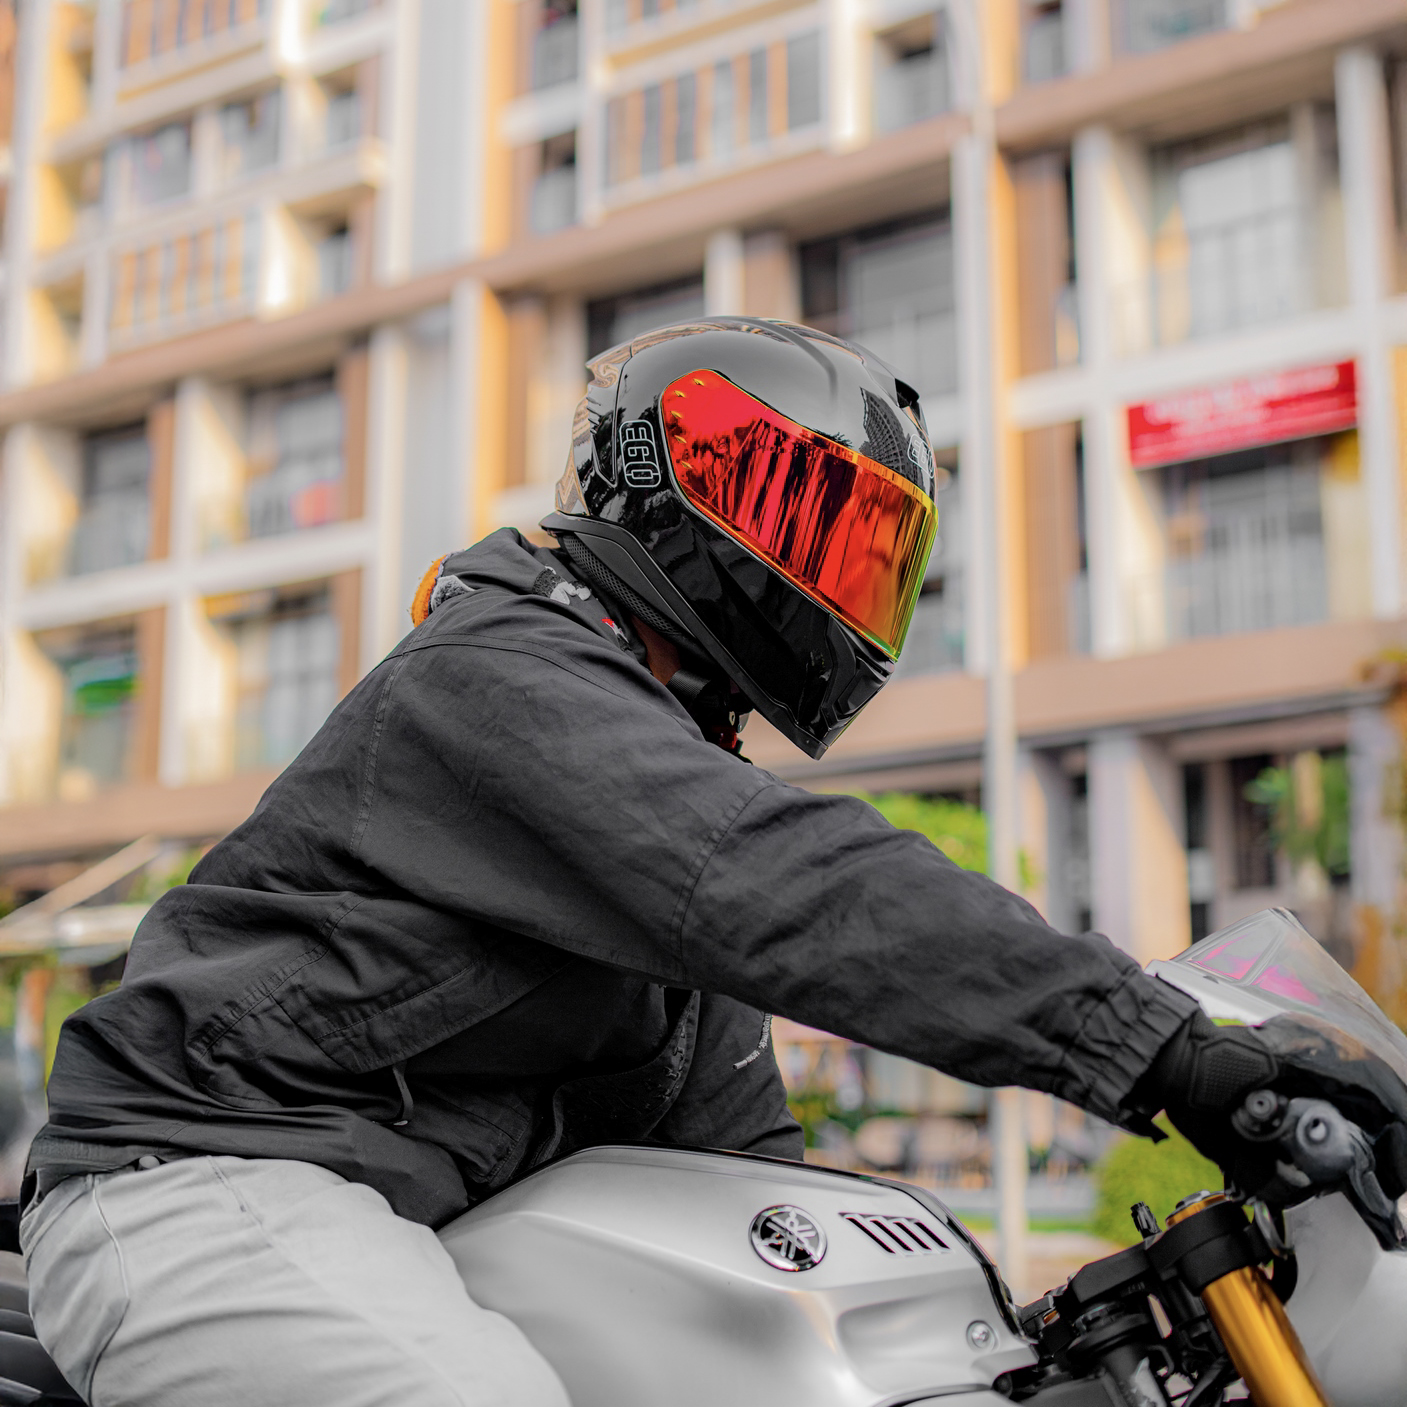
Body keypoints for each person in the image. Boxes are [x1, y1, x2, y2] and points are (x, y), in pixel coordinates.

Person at [19, 319, 1405, 1407]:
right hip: (202, 1177)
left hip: (416, 1220)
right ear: (664, 487)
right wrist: (1165, 1052)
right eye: (806, 515)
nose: (837, 576)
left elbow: (742, 1168)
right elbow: (789, 887)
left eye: (868, 551)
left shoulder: (667, 789)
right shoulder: (504, 676)